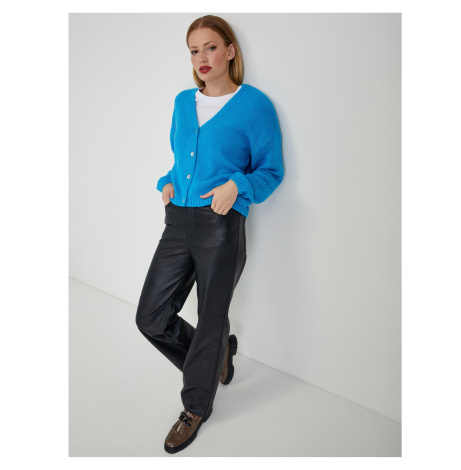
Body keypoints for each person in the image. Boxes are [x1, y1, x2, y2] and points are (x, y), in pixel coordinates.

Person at [135, 14, 284, 454]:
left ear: (230, 51)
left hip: (220, 223)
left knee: (211, 318)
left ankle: (196, 407)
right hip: (177, 220)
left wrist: (238, 186)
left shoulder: (254, 105)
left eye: (211, 47)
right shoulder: (183, 102)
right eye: (194, 50)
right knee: (150, 317)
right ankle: (216, 355)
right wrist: (167, 181)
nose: (202, 58)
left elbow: (271, 171)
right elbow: (182, 159)